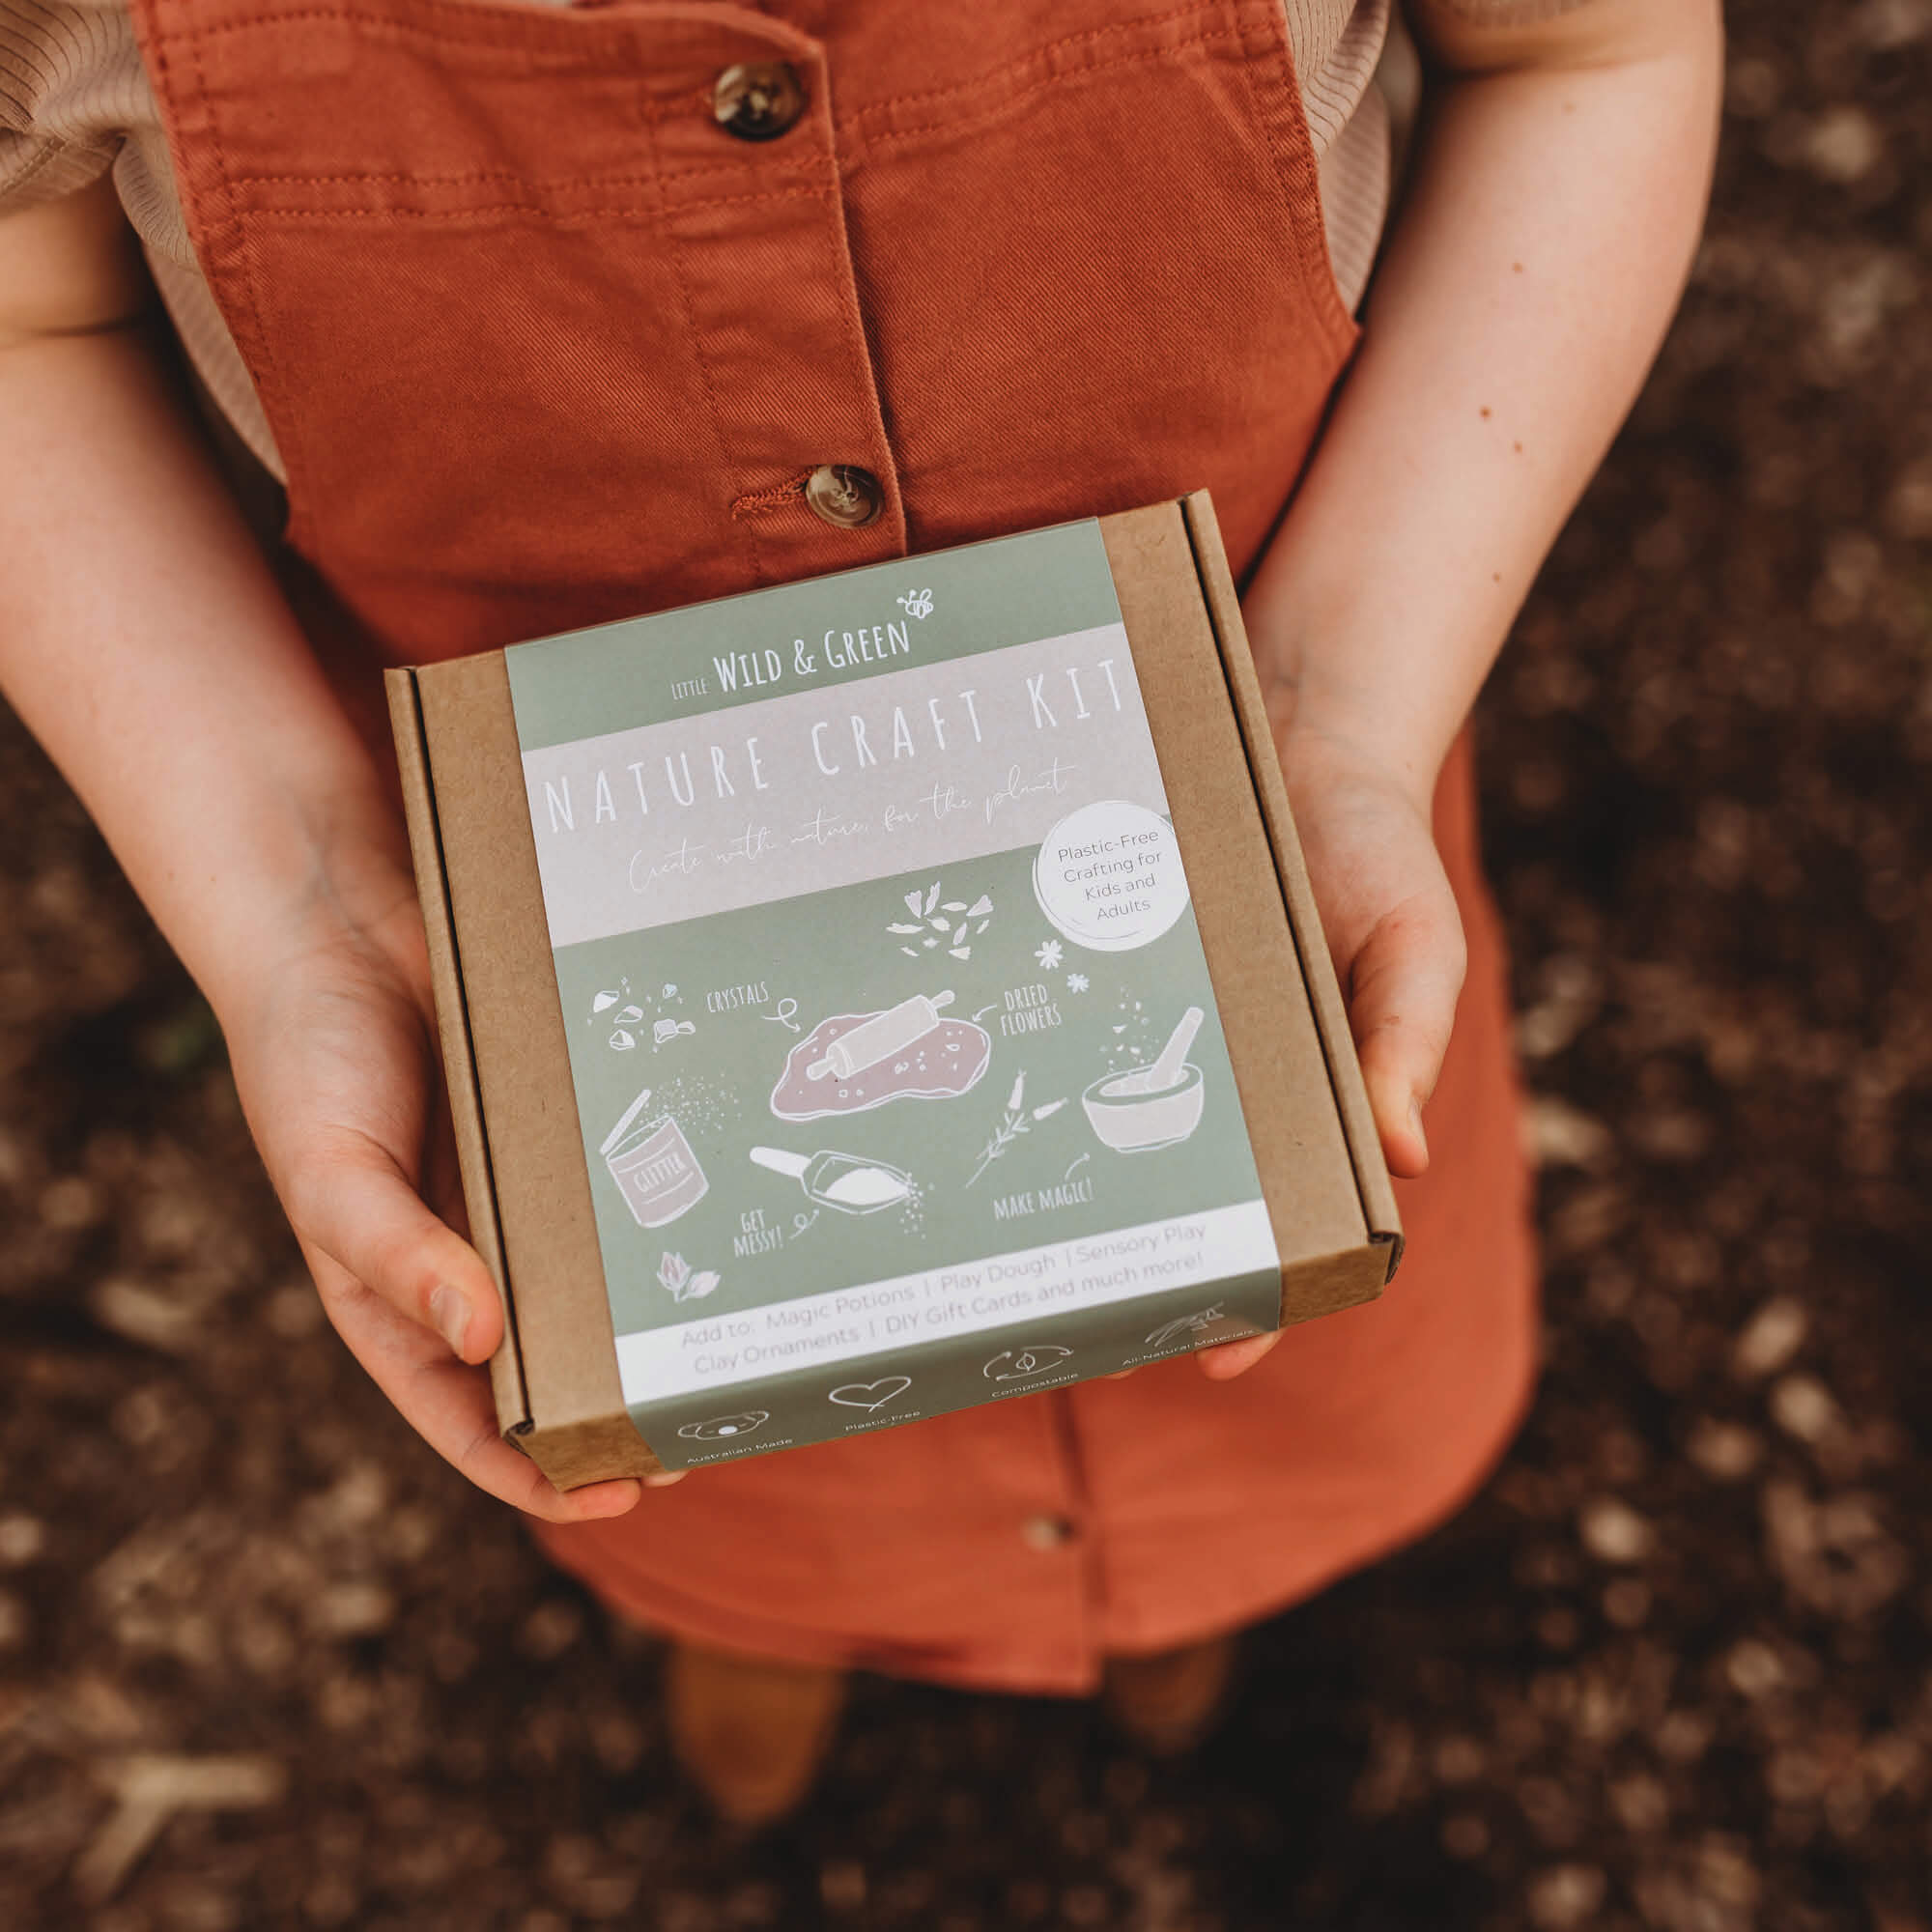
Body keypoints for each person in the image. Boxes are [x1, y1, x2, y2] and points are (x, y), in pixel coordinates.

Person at [0, 0, 1721, 1824]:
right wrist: (292, 895)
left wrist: (1346, 705)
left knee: (1267, 1385)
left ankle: (1178, 1593)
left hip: (1265, 877)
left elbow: (1589, 52)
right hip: (574, 1024)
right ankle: (771, 1625)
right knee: (741, 1487)